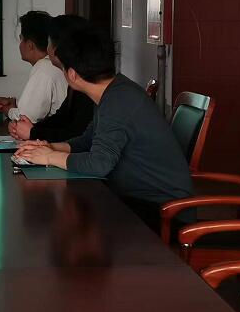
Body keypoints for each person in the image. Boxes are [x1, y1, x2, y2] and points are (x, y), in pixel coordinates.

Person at [16, 26, 193, 231]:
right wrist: (49, 147)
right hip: (137, 199)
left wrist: (49, 157)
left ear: (72, 74)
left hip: (162, 211)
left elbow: (99, 164)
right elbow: (87, 141)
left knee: (69, 220)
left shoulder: (118, 100)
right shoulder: (113, 92)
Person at [8, 15, 94, 142]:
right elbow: (62, 117)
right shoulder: (75, 78)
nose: (47, 50)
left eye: (49, 43)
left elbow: (77, 134)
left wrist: (32, 132)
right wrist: (32, 130)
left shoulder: (83, 81)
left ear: (58, 48)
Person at [0, 11, 67, 123]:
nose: (20, 45)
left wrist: (7, 110)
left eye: (21, 39)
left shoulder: (44, 69)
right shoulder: (52, 65)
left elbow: (25, 118)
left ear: (30, 45)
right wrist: (14, 103)